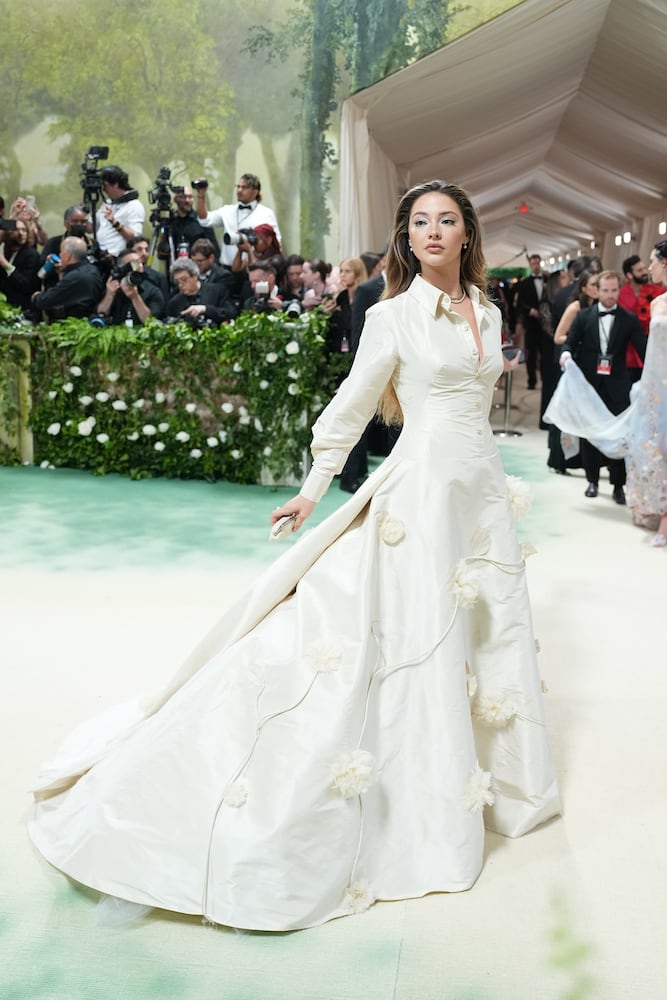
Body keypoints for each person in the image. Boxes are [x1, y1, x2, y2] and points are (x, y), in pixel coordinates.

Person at [28, 179, 559, 933]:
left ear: (467, 234)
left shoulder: (490, 310)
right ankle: (409, 809)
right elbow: (351, 403)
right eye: (419, 223)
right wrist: (314, 490)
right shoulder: (390, 316)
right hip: (418, 498)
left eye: (446, 221)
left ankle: (493, 787)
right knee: (403, 637)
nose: (433, 232)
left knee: (485, 628)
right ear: (405, 239)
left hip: (478, 501)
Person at [559, 269, 646, 504]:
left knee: (619, 436)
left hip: (618, 386)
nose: (609, 295)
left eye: (614, 290)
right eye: (605, 290)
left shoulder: (629, 319)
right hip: (589, 385)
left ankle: (618, 486)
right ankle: (592, 481)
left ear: (619, 290)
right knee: (590, 435)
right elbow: (570, 341)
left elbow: (644, 350)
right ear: (597, 291)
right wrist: (565, 354)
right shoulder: (584, 316)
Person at [626, 242, 667, 544]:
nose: (649, 267)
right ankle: (661, 512)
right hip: (658, 385)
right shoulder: (657, 303)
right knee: (657, 448)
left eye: (653, 261)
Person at [546, 270, 599, 473]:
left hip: (589, 366)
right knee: (565, 411)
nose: (596, 288)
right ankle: (558, 460)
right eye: (593, 284)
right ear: (584, 288)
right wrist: (576, 342)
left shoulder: (598, 307)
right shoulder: (575, 307)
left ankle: (580, 461)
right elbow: (558, 336)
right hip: (571, 364)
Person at [195, 173, 281, 268]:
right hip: (226, 269)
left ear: (255, 191)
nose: (239, 190)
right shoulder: (228, 210)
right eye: (238, 187)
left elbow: (275, 241)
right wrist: (201, 195)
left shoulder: (266, 213)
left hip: (252, 267)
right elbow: (204, 220)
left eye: (244, 187)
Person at [30, 236, 104, 322]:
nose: (60, 255)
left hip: (74, 324)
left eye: (61, 252)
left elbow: (45, 301)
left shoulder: (75, 277)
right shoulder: (93, 269)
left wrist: (36, 297)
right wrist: (61, 272)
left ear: (68, 256)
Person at [97, 247, 165, 326]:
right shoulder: (113, 288)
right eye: (133, 264)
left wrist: (135, 297)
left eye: (139, 263)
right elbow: (100, 315)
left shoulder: (152, 290)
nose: (138, 267)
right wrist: (109, 295)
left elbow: (150, 322)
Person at [167, 257, 237, 325]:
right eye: (177, 282)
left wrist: (206, 309)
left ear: (195, 276)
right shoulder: (174, 302)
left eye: (184, 280)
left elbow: (231, 313)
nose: (180, 285)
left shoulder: (217, 291)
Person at [95, 165, 146, 257]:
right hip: (102, 257)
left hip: (119, 259)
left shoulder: (134, 205)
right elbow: (91, 227)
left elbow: (135, 238)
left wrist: (115, 223)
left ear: (115, 184)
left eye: (105, 185)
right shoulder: (108, 203)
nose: (103, 189)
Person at [325, 257, 365, 355]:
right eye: (341, 271)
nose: (342, 275)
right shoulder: (339, 297)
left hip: (358, 349)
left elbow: (351, 323)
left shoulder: (363, 296)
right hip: (338, 350)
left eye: (347, 271)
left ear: (357, 273)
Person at [0, 218, 41, 310]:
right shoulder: (6, 252)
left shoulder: (31, 255)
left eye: (24, 230)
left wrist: (5, 264)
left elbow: (26, 285)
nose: (21, 233)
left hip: (23, 308)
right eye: (16, 230)